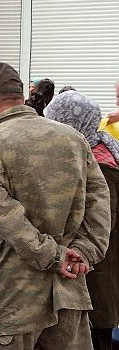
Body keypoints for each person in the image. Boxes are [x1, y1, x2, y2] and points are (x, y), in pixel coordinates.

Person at [0, 62, 110, 349]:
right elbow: (100, 200)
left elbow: (4, 216)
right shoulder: (73, 138)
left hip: (14, 296)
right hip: (69, 290)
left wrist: (54, 256)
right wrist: (84, 252)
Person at [44, 91, 119, 350]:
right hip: (92, 267)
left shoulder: (100, 164)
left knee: (97, 337)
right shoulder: (94, 149)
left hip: (97, 271)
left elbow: (101, 225)